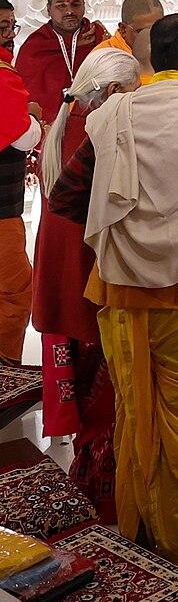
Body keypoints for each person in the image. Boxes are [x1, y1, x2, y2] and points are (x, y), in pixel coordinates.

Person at [47, 13, 178, 575]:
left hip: (121, 300)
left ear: (150, 59)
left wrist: (124, 231)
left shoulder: (116, 114)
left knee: (134, 414)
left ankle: (137, 537)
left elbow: (67, 198)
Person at [34, 48, 141, 517]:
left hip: (62, 259)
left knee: (84, 383)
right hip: (83, 263)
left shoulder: (73, 118)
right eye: (134, 94)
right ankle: (106, 494)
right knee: (105, 390)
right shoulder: (97, 128)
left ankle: (93, 476)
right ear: (115, 92)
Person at [15, 0, 107, 125]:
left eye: (75, 5)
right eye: (61, 6)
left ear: (84, 6)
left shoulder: (98, 37)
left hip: (94, 123)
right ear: (48, 9)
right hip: (49, 127)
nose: (69, 11)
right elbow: (25, 94)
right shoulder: (35, 46)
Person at [0, 38, 41, 362]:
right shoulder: (3, 76)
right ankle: (5, 379)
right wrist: (33, 118)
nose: (9, 35)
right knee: (13, 295)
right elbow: (23, 134)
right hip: (2, 215)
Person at [94, 0, 164, 56]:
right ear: (123, 29)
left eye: (158, 29)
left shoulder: (167, 49)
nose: (153, 37)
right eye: (143, 32)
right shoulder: (104, 57)